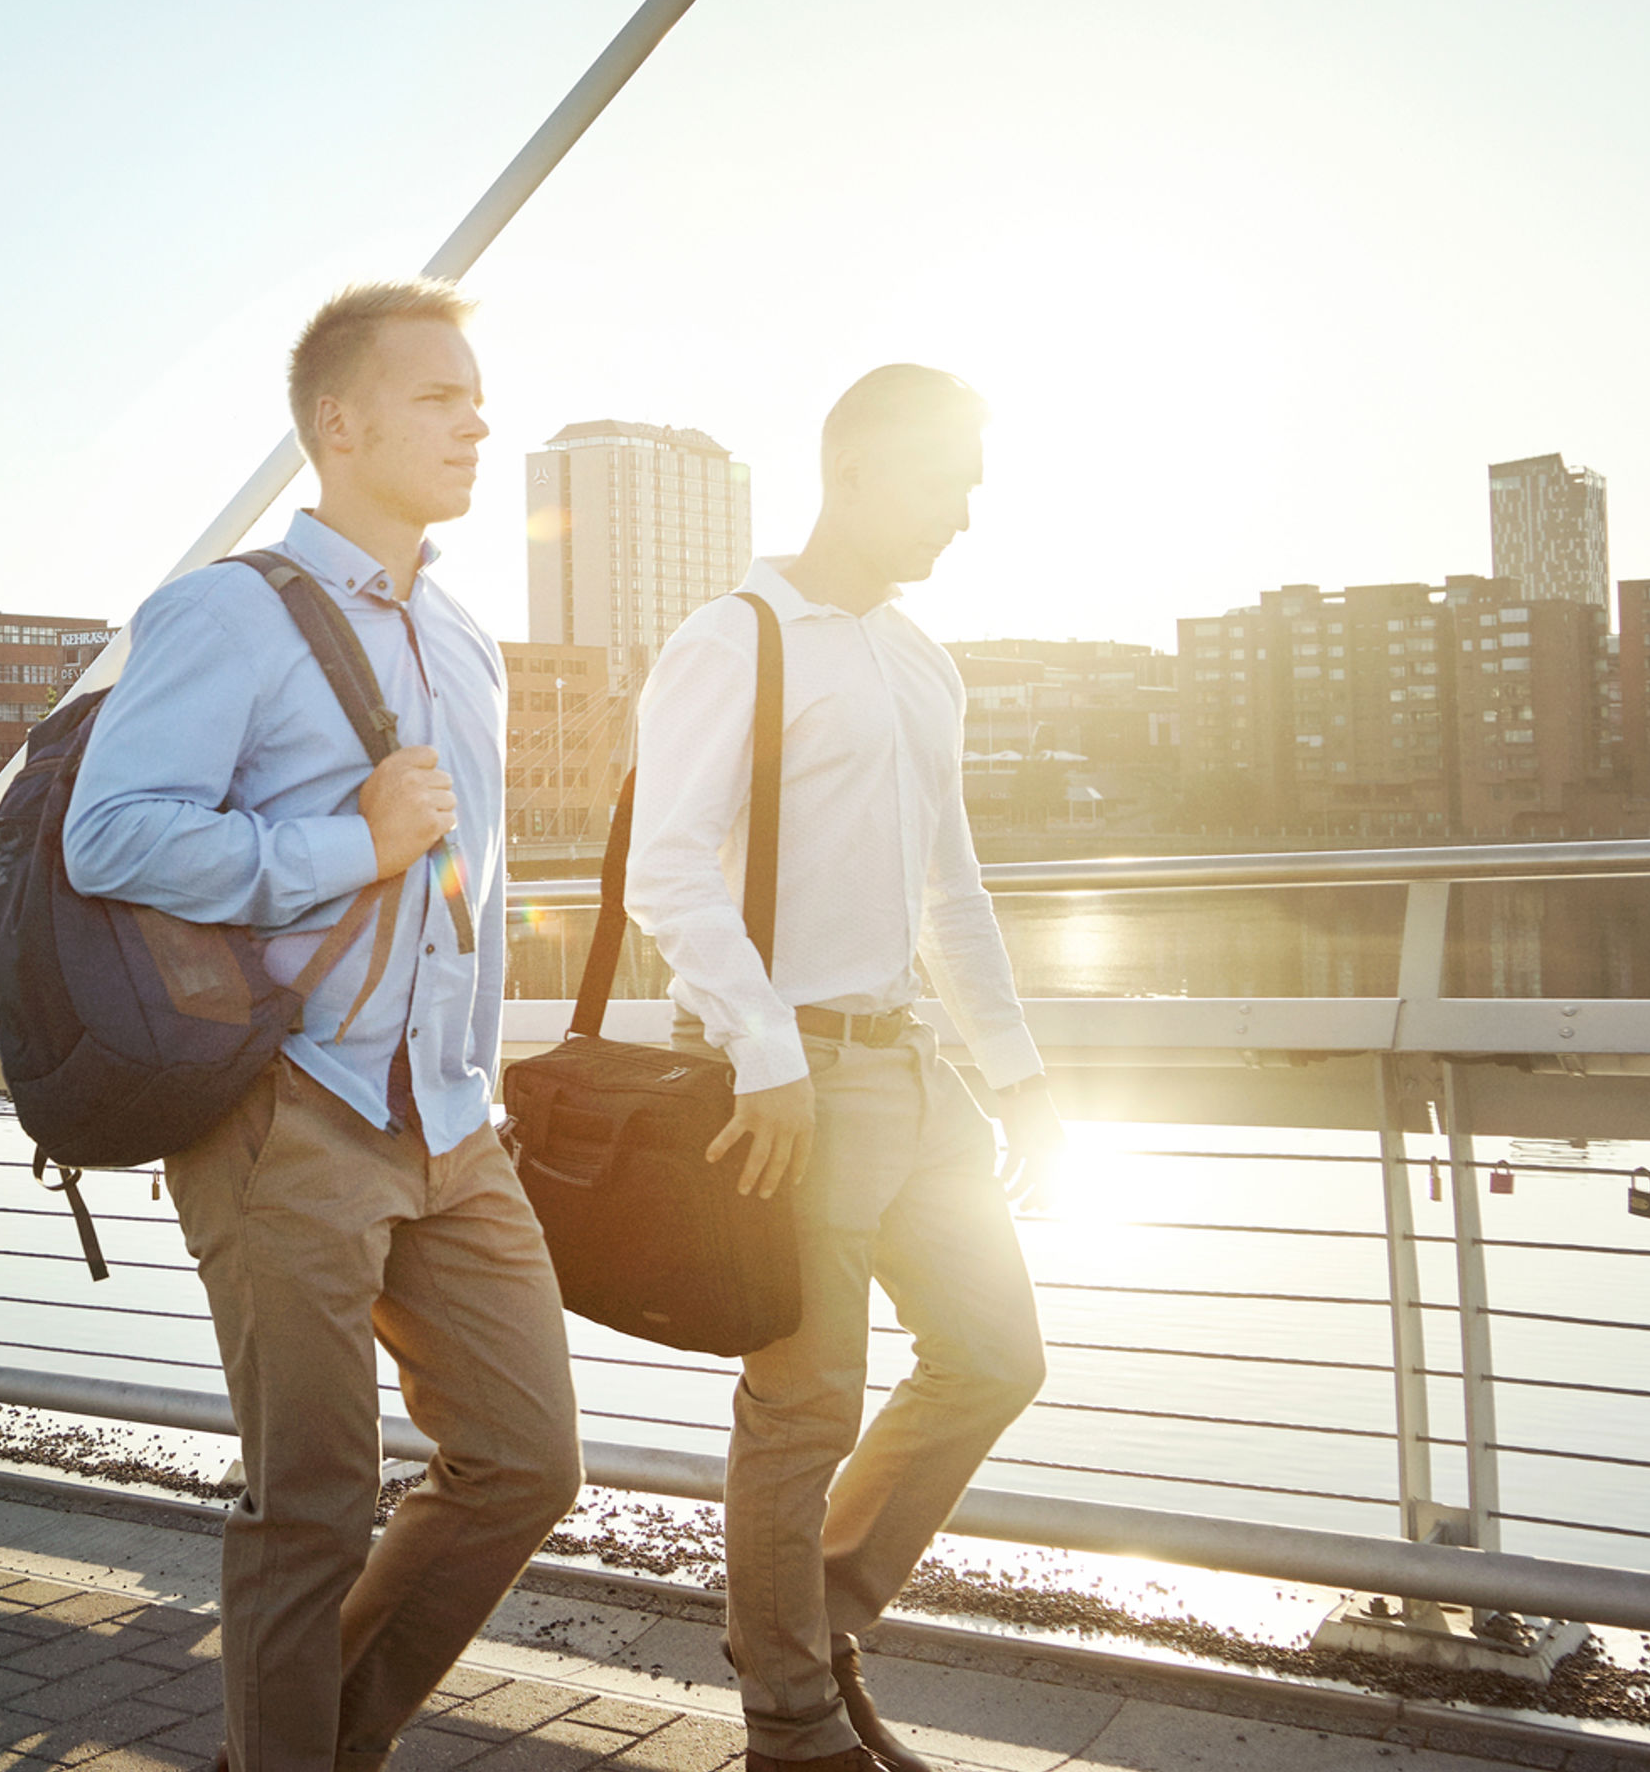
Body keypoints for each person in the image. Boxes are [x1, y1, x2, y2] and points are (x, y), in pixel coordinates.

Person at [64, 280, 580, 1772]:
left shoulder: (469, 640)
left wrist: (486, 1073)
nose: (477, 420)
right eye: (439, 396)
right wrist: (341, 850)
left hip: (451, 1122)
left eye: (479, 394)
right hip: (289, 1109)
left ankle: (299, 1747)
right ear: (338, 426)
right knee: (309, 1509)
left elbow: (478, 884)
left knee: (528, 1462)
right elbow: (115, 836)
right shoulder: (227, 611)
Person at [622, 364, 1063, 1772]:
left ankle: (803, 1626)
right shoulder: (736, 639)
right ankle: (792, 1728)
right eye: (951, 485)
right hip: (791, 1084)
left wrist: (1021, 1075)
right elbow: (666, 870)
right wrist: (765, 1053)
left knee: (995, 1354)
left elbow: (955, 894)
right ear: (861, 473)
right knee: (804, 1407)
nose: (967, 517)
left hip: (919, 1076)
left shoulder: (920, 661)